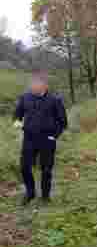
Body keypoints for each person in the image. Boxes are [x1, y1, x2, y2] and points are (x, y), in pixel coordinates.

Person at [14, 70, 67, 205]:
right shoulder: (25, 97)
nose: (32, 86)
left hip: (47, 139)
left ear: (44, 85)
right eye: (32, 84)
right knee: (25, 166)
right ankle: (30, 193)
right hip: (29, 138)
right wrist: (17, 122)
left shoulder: (55, 100)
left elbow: (62, 122)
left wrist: (53, 136)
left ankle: (45, 195)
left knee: (46, 169)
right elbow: (18, 114)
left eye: (36, 84)